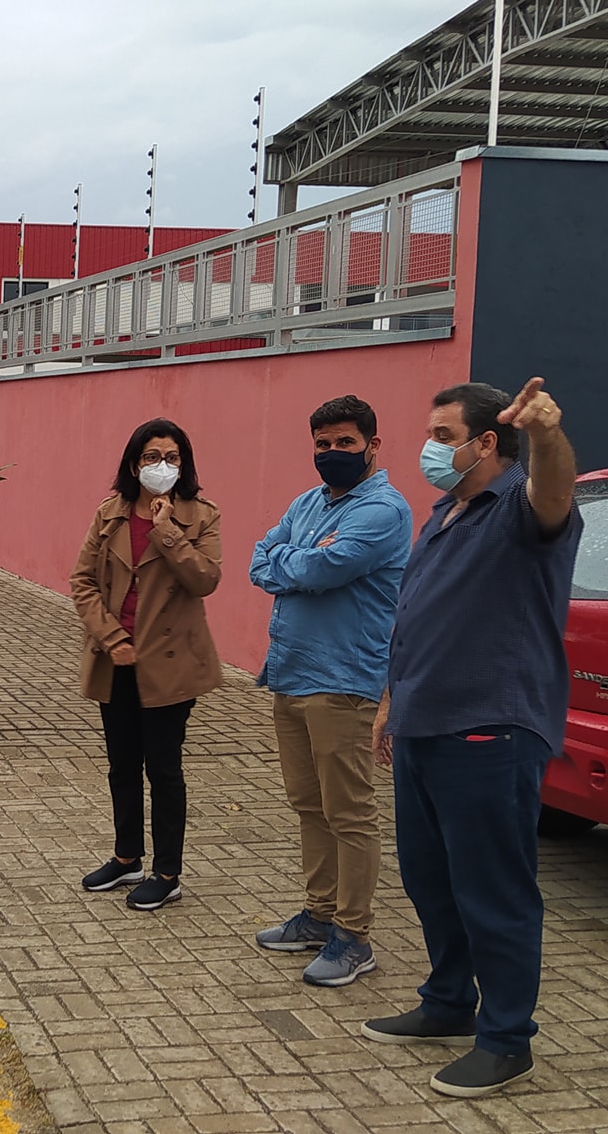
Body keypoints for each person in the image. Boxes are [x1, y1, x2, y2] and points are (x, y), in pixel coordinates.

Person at [360, 378, 581, 1099]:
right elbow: (417, 616)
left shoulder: (519, 509)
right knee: (432, 879)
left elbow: (554, 492)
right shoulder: (446, 512)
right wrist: (393, 699)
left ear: (489, 442)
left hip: (489, 729)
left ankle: (507, 1037)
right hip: (424, 724)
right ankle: (449, 1000)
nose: (431, 448)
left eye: (445, 436)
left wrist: (546, 435)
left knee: (493, 889)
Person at [248, 395, 412, 987]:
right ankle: (318, 916)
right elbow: (261, 560)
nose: (333, 453)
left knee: (350, 813)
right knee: (308, 806)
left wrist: (297, 562)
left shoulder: (384, 510)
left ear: (373, 445)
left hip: (345, 682)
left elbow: (318, 570)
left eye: (345, 443)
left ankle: (354, 935)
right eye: (323, 444)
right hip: (290, 674)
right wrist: (298, 560)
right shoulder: (309, 502)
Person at [69, 418, 222, 912]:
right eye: (152, 457)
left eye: (172, 458)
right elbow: (82, 582)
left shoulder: (200, 516)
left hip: (171, 665)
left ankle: (167, 872)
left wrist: (168, 532)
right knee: (121, 766)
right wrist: (111, 637)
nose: (161, 466)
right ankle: (126, 856)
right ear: (134, 464)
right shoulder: (108, 514)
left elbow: (205, 581)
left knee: (164, 767)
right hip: (117, 659)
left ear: (185, 465)